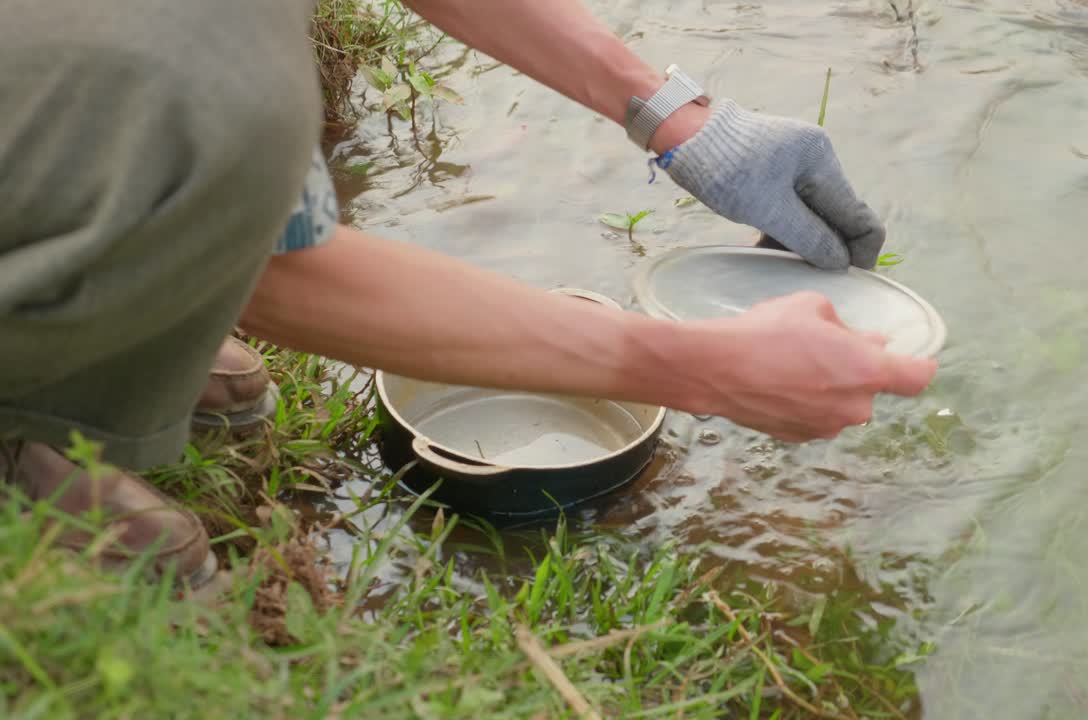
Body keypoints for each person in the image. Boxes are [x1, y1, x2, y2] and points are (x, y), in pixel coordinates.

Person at [0, 0, 938, 591]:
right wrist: (698, 368)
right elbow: (277, 269)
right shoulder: (196, 74)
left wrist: (678, 117)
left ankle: (91, 247)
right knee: (196, 117)